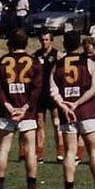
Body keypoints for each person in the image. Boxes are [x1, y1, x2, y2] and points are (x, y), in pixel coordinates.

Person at [51, 31, 95, 189]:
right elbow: (94, 88)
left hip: (66, 113)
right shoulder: (89, 63)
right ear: (79, 45)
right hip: (88, 111)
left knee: (70, 152)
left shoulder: (58, 64)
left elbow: (53, 90)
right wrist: (77, 103)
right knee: (94, 152)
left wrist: (64, 105)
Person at [0, 28, 43, 189]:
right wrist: (25, 107)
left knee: (3, 149)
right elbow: (37, 89)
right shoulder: (34, 61)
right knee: (30, 151)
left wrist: (8, 106)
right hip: (26, 112)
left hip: (7, 111)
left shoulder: (1, 62)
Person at [33, 31, 59, 164]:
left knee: (56, 123)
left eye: (47, 39)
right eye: (42, 39)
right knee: (39, 124)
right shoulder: (36, 55)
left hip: (52, 93)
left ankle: (59, 153)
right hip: (40, 94)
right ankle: (39, 154)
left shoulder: (57, 55)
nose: (44, 42)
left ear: (51, 41)